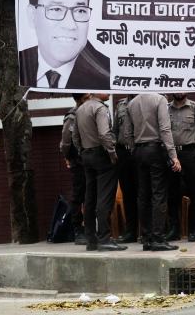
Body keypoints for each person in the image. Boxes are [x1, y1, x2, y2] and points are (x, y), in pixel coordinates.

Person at [19, 0, 110, 90]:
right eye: (56, 9)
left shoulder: (107, 72)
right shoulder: (18, 64)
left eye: (80, 11)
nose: (69, 25)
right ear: (32, 15)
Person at [126, 94, 181, 251]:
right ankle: (158, 238)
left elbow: (128, 132)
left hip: (139, 150)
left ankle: (147, 238)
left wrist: (134, 148)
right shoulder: (160, 99)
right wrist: (173, 155)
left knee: (143, 195)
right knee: (159, 194)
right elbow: (165, 129)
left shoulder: (131, 103)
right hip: (155, 150)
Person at [73, 94, 126, 251]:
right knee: (105, 197)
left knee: (90, 197)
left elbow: (75, 136)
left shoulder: (79, 109)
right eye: (105, 89)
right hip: (101, 155)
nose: (108, 92)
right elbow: (104, 134)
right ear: (95, 92)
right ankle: (104, 238)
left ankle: (91, 239)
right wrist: (112, 152)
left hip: (87, 154)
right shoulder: (100, 108)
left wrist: (82, 151)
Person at [166, 93, 195, 242]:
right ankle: (174, 229)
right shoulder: (165, 109)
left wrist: (190, 143)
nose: (179, 91)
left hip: (189, 154)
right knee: (172, 193)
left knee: (193, 191)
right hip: (171, 154)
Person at [59, 93, 90, 244]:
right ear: (79, 100)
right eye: (86, 98)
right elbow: (65, 142)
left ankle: (90, 228)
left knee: (90, 195)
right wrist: (68, 157)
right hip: (78, 162)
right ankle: (78, 230)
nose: (89, 100)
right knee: (79, 195)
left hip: (91, 159)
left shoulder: (91, 111)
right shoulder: (72, 116)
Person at [112, 95, 139, 243]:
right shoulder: (120, 105)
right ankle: (131, 232)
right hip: (123, 153)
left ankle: (146, 231)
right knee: (128, 194)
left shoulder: (143, 101)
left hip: (139, 151)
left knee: (143, 193)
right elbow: (115, 130)